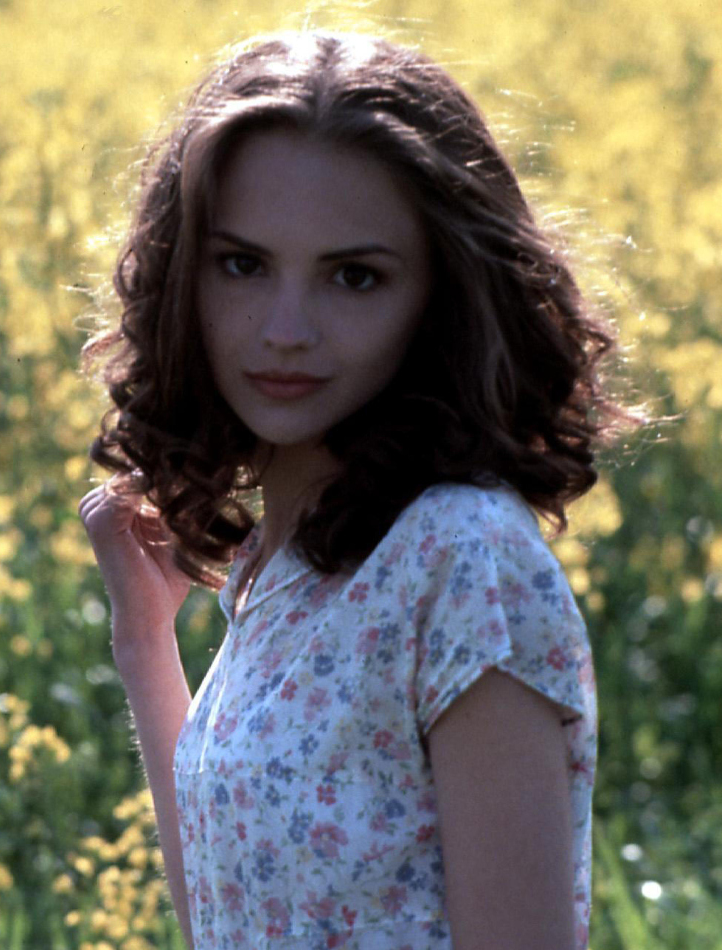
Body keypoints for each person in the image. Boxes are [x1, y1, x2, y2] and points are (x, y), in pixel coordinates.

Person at [79, 29, 642, 950]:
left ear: (438, 295)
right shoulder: (288, 563)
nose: (286, 329)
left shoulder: (464, 560)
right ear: (185, 277)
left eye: (353, 276)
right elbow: (233, 919)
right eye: (243, 265)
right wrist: (145, 642)